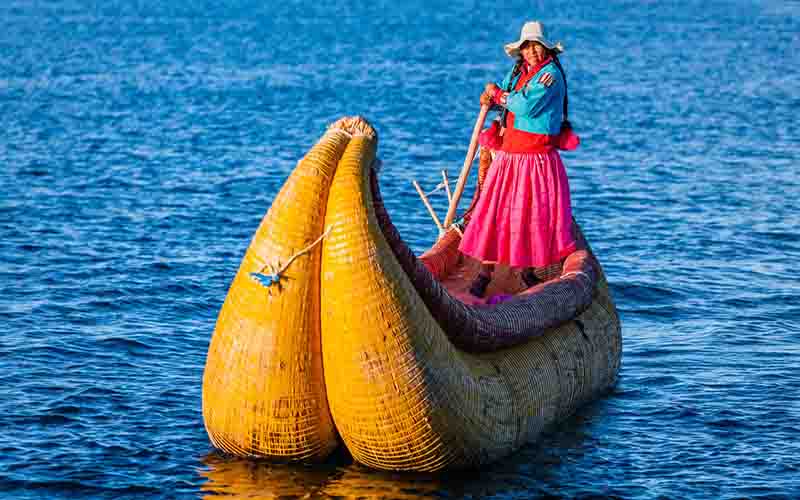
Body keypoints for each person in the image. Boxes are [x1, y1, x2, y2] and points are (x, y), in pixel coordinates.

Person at [458, 20, 579, 298]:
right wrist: (488, 94)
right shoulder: (518, 73)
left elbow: (525, 105)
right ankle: (485, 272)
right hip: (510, 156)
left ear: (546, 49)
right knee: (496, 212)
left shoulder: (550, 76)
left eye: (537, 47)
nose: (533, 52)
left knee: (528, 215)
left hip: (534, 159)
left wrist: (498, 94)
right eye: (528, 47)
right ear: (521, 51)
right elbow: (501, 92)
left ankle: (526, 270)